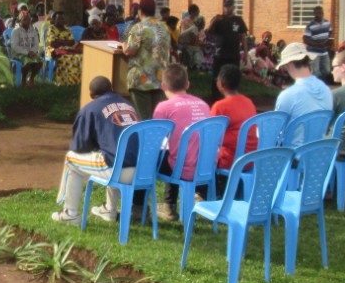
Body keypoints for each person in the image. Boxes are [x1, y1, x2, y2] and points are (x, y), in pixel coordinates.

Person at [51, 75, 140, 224]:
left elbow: (80, 147)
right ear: (112, 90)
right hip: (142, 172)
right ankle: (109, 210)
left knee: (71, 159)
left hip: (116, 172)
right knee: (115, 152)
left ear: (92, 95)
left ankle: (70, 213)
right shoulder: (128, 105)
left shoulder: (90, 109)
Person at [151, 62, 212, 221]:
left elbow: (154, 139)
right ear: (188, 84)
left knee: (152, 156)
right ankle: (189, 199)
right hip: (206, 168)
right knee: (178, 150)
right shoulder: (204, 105)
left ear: (163, 85)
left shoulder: (164, 107)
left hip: (180, 169)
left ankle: (156, 206)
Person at [122, 0, 171, 120]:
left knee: (144, 119)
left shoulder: (139, 28)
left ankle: (144, 139)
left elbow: (130, 51)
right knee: (156, 118)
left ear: (140, 11)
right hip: (159, 79)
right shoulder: (164, 28)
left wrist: (123, 45)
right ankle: (156, 139)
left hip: (141, 81)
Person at [273, 43, 333, 137]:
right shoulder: (326, 90)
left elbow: (275, 129)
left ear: (290, 64)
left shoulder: (288, 95)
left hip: (293, 150)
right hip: (320, 148)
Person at [211, 64, 257, 169]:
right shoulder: (248, 102)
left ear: (221, 83)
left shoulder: (220, 106)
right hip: (250, 160)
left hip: (230, 161)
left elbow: (210, 137)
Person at [205, 0, 247, 98]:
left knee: (234, 76)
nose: (227, 8)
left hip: (234, 54)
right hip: (220, 54)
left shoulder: (238, 20)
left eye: (229, 6)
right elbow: (208, 31)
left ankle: (233, 97)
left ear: (233, 7)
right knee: (217, 76)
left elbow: (243, 37)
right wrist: (213, 22)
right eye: (225, 6)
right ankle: (215, 97)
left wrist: (245, 53)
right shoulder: (219, 19)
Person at [44, 10, 80, 88]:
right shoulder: (51, 29)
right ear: (54, 20)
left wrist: (58, 40)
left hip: (67, 50)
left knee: (79, 58)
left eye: (62, 19)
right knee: (68, 59)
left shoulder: (68, 30)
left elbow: (72, 42)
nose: (61, 21)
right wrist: (65, 41)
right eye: (59, 19)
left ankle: (77, 80)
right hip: (52, 51)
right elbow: (52, 44)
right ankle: (66, 82)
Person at [8, 9, 43, 85]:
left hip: (31, 53)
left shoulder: (33, 30)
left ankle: (31, 79)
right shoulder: (16, 31)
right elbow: (14, 46)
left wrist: (32, 52)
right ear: (20, 21)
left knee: (40, 62)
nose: (27, 21)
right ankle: (23, 80)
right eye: (24, 20)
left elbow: (37, 44)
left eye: (28, 19)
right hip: (18, 53)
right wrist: (27, 53)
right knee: (27, 62)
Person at [303, 5, 333, 80]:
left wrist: (328, 42)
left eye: (321, 12)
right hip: (314, 53)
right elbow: (306, 39)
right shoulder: (310, 25)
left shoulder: (327, 23)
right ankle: (315, 87)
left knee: (327, 71)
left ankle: (320, 84)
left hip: (324, 52)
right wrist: (318, 45)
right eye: (318, 13)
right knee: (316, 73)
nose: (320, 14)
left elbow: (330, 33)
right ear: (314, 14)